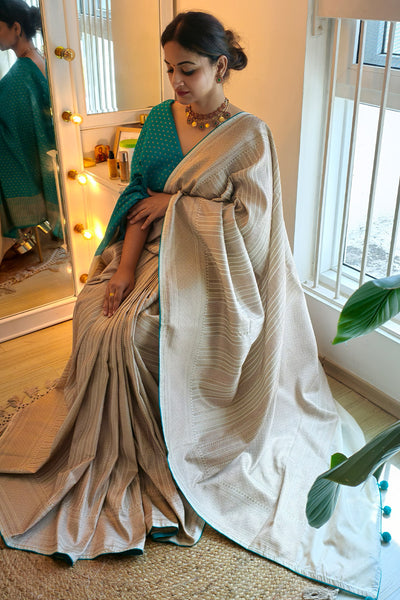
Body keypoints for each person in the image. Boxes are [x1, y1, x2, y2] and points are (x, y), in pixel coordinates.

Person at [0, 11, 381, 598]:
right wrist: (123, 268)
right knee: (97, 313)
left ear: (220, 66)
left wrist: (175, 207)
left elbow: (252, 229)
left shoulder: (249, 137)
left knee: (135, 333)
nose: (176, 82)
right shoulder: (159, 120)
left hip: (213, 270)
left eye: (189, 70)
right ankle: (114, 446)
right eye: (170, 70)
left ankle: (172, 447)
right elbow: (137, 199)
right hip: (152, 252)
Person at [0, 0, 60, 259]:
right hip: (49, 152)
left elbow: (11, 119)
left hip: (37, 155)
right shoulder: (41, 58)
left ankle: (19, 234)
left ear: (16, 28)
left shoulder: (21, 73)